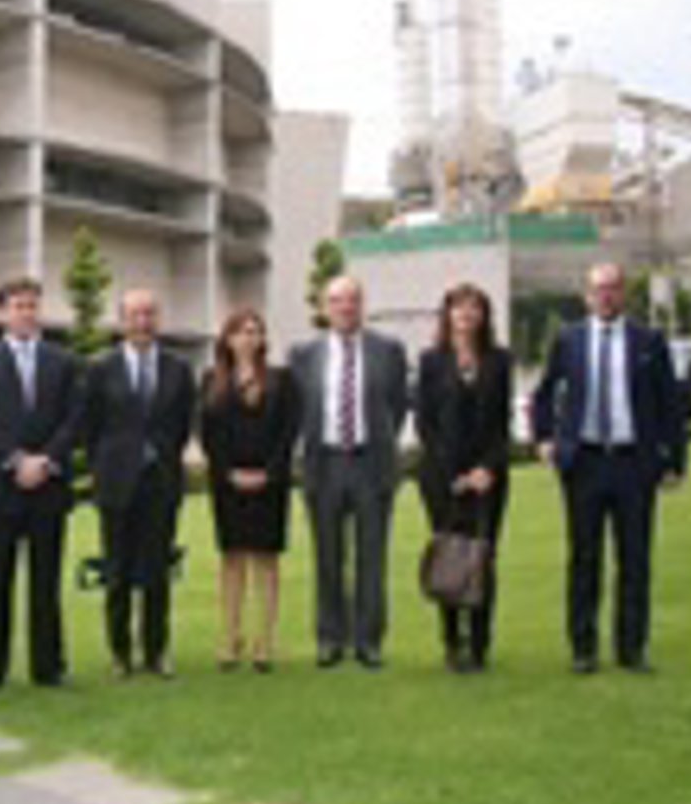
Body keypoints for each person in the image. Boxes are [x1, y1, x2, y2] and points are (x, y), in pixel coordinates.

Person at [530, 262, 688, 674]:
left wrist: (675, 461)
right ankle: (583, 648)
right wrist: (544, 438)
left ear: (624, 293)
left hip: (634, 463)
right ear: (587, 295)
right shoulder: (569, 339)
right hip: (584, 462)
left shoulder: (648, 341)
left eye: (614, 288)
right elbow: (544, 393)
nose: (606, 295)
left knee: (635, 559)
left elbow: (670, 405)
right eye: (599, 288)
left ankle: (632, 649)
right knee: (584, 558)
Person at [0, 277, 83, 692]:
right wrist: (16, 460)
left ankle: (48, 667)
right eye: (18, 306)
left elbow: (74, 417)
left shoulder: (62, 362)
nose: (26, 313)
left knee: (45, 583)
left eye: (32, 306)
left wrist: (46, 460)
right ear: (3, 313)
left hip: (49, 486)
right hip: (0, 488)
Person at [288, 275, 409, 670]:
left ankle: (368, 640)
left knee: (372, 557)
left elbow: (398, 405)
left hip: (371, 463)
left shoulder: (388, 351)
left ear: (362, 305)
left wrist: (380, 443)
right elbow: (297, 409)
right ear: (325, 308)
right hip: (323, 464)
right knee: (327, 556)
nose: (345, 308)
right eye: (337, 301)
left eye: (352, 300)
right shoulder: (304, 354)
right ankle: (330, 638)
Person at [82, 288, 195, 678]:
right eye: (135, 315)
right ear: (122, 321)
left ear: (158, 319)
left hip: (161, 482)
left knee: (157, 572)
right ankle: (120, 653)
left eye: (149, 314)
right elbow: (90, 427)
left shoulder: (178, 369)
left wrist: (162, 457)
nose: (143, 322)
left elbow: (183, 424)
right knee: (117, 572)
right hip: (116, 483)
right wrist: (105, 467)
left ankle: (156, 651)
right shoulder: (101, 368)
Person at [413, 283, 513, 673]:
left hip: (488, 477)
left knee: (483, 557)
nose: (466, 314)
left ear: (484, 316)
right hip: (442, 477)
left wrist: (486, 469)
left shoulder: (500, 361)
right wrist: (453, 475)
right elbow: (424, 423)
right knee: (450, 556)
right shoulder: (431, 361)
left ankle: (481, 643)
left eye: (474, 308)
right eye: (458, 308)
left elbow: (502, 425)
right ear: (448, 315)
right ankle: (453, 641)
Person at [199, 308, 299, 672]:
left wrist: (268, 474)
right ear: (228, 339)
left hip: (270, 483)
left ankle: (264, 641)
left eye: (255, 331)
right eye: (241, 331)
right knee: (233, 559)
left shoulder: (281, 380)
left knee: (265, 559)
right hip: (228, 483)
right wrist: (229, 472)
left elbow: (290, 431)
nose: (249, 337)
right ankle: (230, 637)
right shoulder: (212, 380)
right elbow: (206, 434)